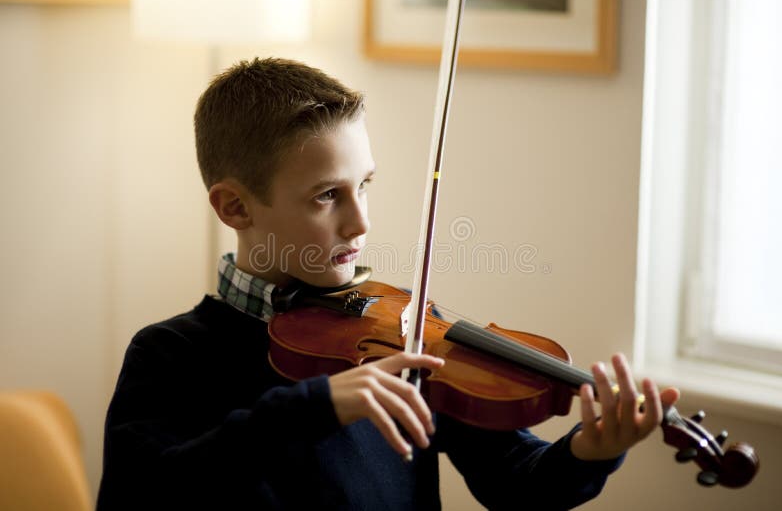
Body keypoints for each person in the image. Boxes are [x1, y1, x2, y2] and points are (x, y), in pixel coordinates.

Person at [97, 57, 679, 510]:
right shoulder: (169, 355)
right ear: (234, 207)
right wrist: (317, 407)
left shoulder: (399, 332)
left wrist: (587, 453)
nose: (361, 222)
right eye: (327, 195)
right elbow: (146, 496)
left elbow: (513, 482)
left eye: (365, 184)